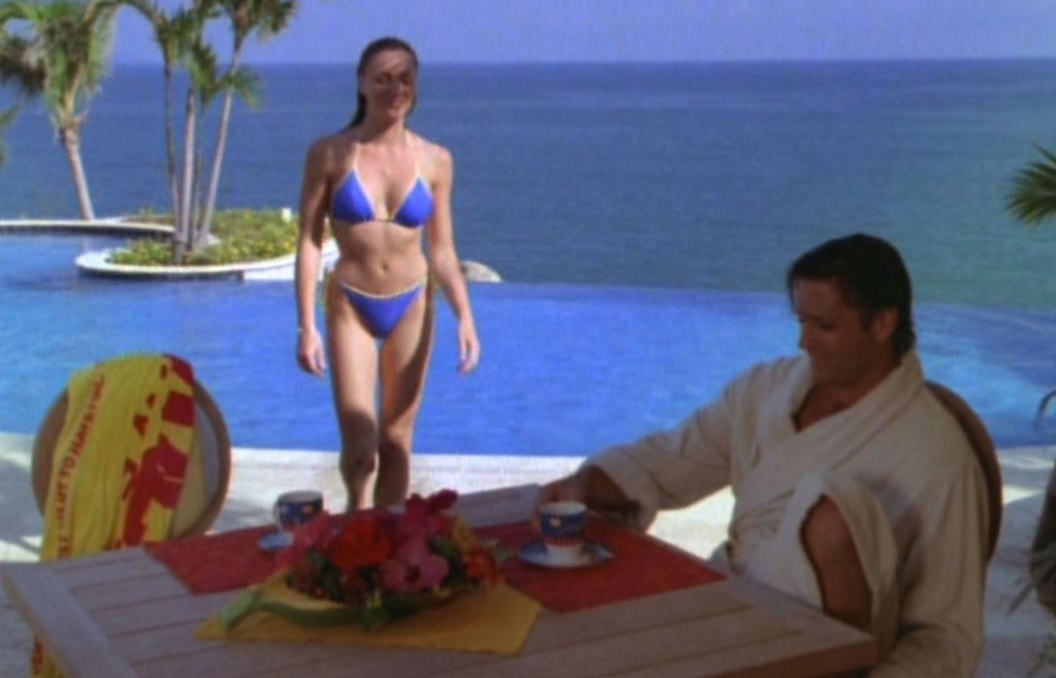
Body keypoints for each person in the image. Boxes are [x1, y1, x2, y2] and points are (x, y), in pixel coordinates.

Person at [540, 234, 988, 677]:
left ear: (883, 324)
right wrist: (586, 485)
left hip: (825, 662)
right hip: (731, 617)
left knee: (834, 512)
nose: (804, 342)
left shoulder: (937, 456)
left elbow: (946, 637)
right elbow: (672, 459)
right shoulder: (767, 390)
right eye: (801, 322)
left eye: (824, 326)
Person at [295, 37, 480, 510]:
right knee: (360, 448)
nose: (394, 89)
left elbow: (443, 250)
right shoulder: (330, 153)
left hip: (412, 300)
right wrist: (307, 327)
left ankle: (387, 536)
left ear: (415, 87)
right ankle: (356, 526)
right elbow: (310, 241)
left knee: (396, 440)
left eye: (404, 79)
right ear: (361, 83)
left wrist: (464, 316)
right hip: (350, 302)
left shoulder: (436, 160)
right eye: (382, 79)